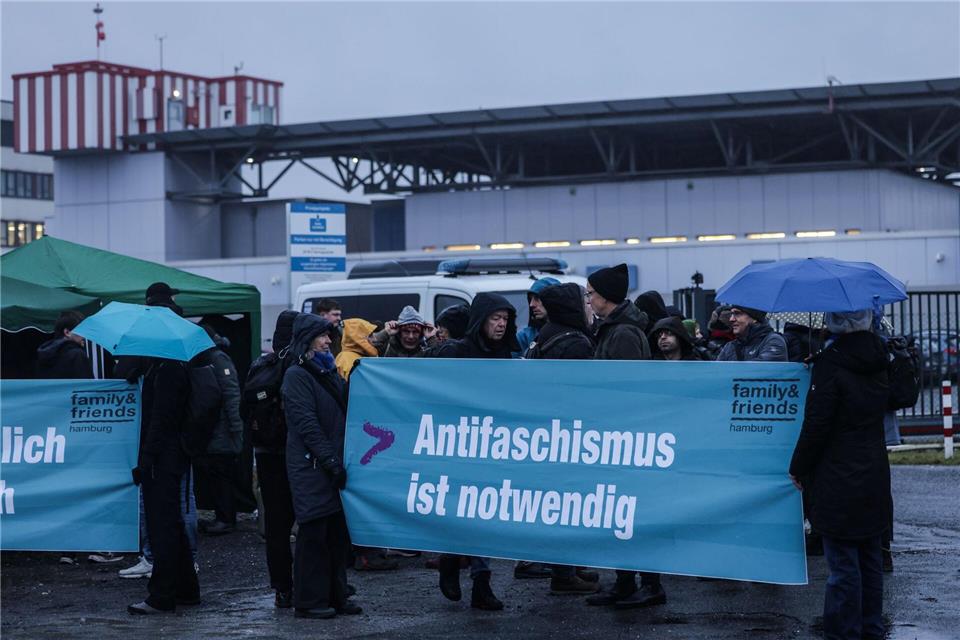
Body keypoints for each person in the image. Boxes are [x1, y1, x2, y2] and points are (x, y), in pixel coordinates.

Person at [789, 310, 890, 640]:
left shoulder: (831, 362)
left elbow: (817, 424)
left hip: (838, 474)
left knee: (843, 564)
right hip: (874, 470)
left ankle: (843, 632)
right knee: (870, 558)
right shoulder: (879, 355)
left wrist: (798, 466)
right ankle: (871, 628)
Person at [584, 264, 664, 609]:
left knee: (636, 512)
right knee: (619, 511)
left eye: (590, 293)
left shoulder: (624, 333)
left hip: (627, 436)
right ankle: (625, 580)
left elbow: (631, 390)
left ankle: (650, 582)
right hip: (615, 433)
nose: (588, 299)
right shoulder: (614, 329)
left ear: (604, 297)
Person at [433, 293, 519, 610]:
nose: (500, 325)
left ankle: (481, 583)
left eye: (505, 319)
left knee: (483, 514)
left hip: (491, 446)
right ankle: (450, 559)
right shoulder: (456, 351)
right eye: (495, 318)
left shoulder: (505, 355)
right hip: (457, 444)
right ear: (481, 319)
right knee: (459, 511)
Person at [282, 313, 360, 619]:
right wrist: (329, 461)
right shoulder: (297, 376)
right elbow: (307, 426)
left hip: (328, 464)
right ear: (307, 339)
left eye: (329, 335)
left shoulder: (324, 370)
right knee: (314, 534)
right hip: (311, 467)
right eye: (323, 336)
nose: (329, 341)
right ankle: (309, 600)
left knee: (335, 535)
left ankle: (335, 595)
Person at [523, 282, 599, 595]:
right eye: (583, 299)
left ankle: (568, 567)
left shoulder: (545, 335)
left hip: (547, 432)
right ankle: (564, 574)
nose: (588, 304)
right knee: (568, 504)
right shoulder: (574, 342)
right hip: (570, 434)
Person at [126, 353, 200, 614]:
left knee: (162, 527)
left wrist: (145, 461)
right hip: (169, 457)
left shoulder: (167, 371)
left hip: (162, 459)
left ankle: (162, 595)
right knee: (172, 524)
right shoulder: (170, 367)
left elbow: (160, 420)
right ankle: (186, 588)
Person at [246, 311, 299, 609]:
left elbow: (245, 410)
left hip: (265, 453)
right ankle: (307, 582)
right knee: (307, 519)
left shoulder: (260, 364)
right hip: (292, 452)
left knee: (277, 526)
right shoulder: (297, 364)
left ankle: (281, 587)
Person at [196, 326, 243, 536]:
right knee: (218, 473)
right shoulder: (213, 356)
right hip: (218, 427)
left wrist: (236, 427)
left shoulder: (217, 358)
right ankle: (223, 517)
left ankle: (226, 519)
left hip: (221, 428)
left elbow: (232, 393)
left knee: (222, 473)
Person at [716, 305, 788, 362]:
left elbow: (758, 372)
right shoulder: (730, 347)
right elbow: (717, 373)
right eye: (731, 314)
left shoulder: (773, 341)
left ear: (754, 318)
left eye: (737, 314)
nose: (731, 319)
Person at [36, 311, 93, 379]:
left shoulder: (43, 354)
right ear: (67, 332)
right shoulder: (77, 355)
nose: (84, 336)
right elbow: (87, 386)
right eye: (81, 331)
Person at [515, 276, 561, 356]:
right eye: (530, 299)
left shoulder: (573, 333)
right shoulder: (524, 337)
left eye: (537, 298)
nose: (531, 304)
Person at [369, 306, 438, 358]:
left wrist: (431, 338)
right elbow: (367, 346)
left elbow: (439, 358)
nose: (411, 336)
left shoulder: (426, 349)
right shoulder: (388, 347)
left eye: (415, 332)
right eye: (406, 331)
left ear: (421, 333)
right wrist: (386, 332)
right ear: (399, 332)